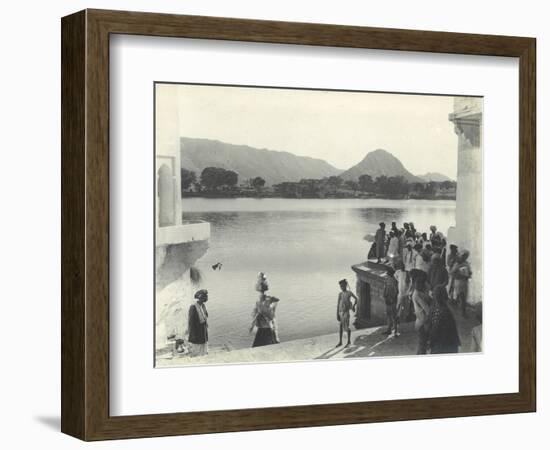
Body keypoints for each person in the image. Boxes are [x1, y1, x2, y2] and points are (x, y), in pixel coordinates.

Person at [426, 286, 461, 354]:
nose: (436, 298)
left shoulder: (443, 311)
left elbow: (435, 329)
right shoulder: (436, 309)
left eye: (438, 296)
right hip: (442, 344)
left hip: (444, 345)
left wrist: (430, 341)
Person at [250, 276, 280, 346]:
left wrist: (253, 324)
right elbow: (273, 319)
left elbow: (271, 318)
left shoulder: (262, 302)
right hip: (265, 329)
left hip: (265, 329)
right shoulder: (264, 301)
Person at [410, 270, 431, 354]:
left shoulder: (423, 290)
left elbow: (428, 288)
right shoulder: (416, 294)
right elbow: (427, 309)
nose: (419, 285)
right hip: (422, 323)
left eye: (421, 283)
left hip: (423, 321)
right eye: (417, 283)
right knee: (422, 346)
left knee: (424, 345)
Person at [187, 289, 209, 357]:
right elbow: (191, 322)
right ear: (199, 298)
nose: (205, 299)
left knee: (204, 343)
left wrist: (206, 323)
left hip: (203, 328)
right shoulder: (193, 307)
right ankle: (197, 356)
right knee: (197, 344)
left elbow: (205, 316)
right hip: (197, 329)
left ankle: (203, 354)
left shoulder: (203, 306)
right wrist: (192, 334)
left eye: (205, 297)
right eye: (203, 297)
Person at [336, 279, 357, 347]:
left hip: (346, 312)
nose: (341, 287)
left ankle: (349, 341)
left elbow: (356, 299)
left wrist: (353, 306)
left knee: (347, 327)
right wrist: (337, 314)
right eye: (340, 286)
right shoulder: (340, 294)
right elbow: (338, 304)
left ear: (345, 285)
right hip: (341, 312)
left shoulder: (349, 293)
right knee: (341, 326)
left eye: (342, 286)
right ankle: (340, 342)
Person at [451, 250, 472, 318]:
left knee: (462, 297)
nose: (465, 257)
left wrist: (469, 274)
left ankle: (458, 308)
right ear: (461, 256)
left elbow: (470, 272)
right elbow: (452, 273)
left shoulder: (466, 263)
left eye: (466, 256)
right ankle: (463, 312)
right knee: (462, 297)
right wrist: (460, 275)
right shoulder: (457, 264)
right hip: (459, 282)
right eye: (464, 256)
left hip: (464, 282)